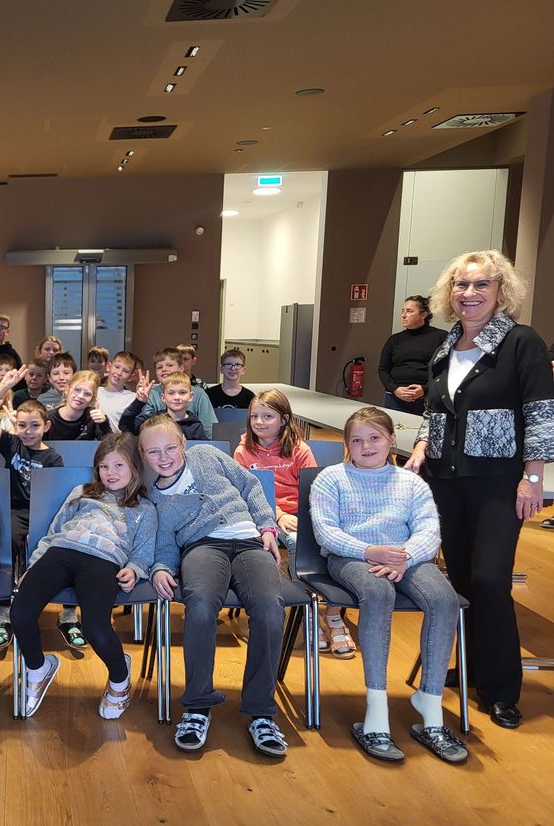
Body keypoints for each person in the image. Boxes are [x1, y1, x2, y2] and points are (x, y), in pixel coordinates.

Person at [405, 249, 554, 730]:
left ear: (500, 290)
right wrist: (423, 445)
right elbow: (436, 408)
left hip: (496, 482)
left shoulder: (519, 343)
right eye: (461, 285)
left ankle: (501, 688)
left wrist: (534, 477)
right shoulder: (448, 344)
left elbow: (540, 413)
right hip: (445, 479)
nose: (469, 294)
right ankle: (470, 668)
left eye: (480, 285)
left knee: (491, 581)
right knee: (463, 579)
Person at [312, 407, 468, 764]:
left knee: (444, 600)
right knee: (378, 594)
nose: (366, 446)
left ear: (391, 440)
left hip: (403, 558)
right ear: (346, 444)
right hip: (350, 556)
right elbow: (326, 532)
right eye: (357, 440)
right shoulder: (331, 478)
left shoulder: (411, 482)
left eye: (374, 438)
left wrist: (405, 557)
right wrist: (371, 550)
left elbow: (429, 529)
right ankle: (376, 711)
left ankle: (430, 709)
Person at [143, 415, 288, 758]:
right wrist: (161, 568)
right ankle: (196, 706)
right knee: (201, 607)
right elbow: (164, 544)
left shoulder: (208, 455)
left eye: (170, 448)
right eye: (153, 452)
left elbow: (251, 486)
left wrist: (268, 526)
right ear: (144, 457)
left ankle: (260, 712)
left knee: (269, 610)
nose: (164, 458)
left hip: (249, 542)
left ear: (183, 445)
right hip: (202, 548)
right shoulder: (157, 498)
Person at [15, 432, 156, 719]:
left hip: (103, 561)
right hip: (62, 551)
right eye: (104, 466)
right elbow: (53, 532)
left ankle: (119, 677)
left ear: (135, 468)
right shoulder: (81, 492)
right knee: (20, 613)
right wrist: (35, 563)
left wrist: (134, 570)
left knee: (95, 627)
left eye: (119, 466)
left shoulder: (144, 509)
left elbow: (143, 552)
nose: (110, 473)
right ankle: (38, 668)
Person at [233, 388, 352, 655]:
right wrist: (277, 515)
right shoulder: (243, 451)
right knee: (257, 550)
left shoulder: (299, 449)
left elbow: (311, 488)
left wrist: (292, 516)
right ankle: (285, 612)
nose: (260, 422)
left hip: (296, 515)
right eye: (255, 417)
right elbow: (243, 493)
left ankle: (308, 613)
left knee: (301, 544)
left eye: (268, 416)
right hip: (259, 517)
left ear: (284, 419)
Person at [0, 369, 64, 648]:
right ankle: (4, 611)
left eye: (34, 426)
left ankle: (53, 610)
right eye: (23, 425)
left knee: (46, 549)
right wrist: (5, 386)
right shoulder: (11, 443)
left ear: (45, 426)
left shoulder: (52, 457)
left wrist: (41, 526)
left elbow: (54, 497)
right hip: (14, 510)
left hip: (41, 512)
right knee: (8, 543)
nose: (28, 432)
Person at [126, 347, 218, 437]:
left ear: (181, 368)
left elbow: (209, 428)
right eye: (159, 367)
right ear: (163, 397)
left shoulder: (199, 394)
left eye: (169, 365)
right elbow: (142, 427)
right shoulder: (150, 394)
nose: (164, 369)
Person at [379, 295, 447, 414]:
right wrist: (395, 389)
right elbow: (383, 369)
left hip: (427, 398)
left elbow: (445, 370)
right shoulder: (394, 339)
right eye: (403, 311)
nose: (403, 315)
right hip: (395, 396)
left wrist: (425, 389)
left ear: (424, 314)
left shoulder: (441, 337)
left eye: (409, 311)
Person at [46, 370, 110, 442]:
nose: (80, 396)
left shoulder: (93, 417)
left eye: (87, 394)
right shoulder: (48, 418)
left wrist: (103, 423)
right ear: (67, 390)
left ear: (92, 399)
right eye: (77, 390)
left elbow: (110, 445)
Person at [98, 352, 140, 431]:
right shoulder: (94, 392)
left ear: (131, 376)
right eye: (117, 367)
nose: (119, 373)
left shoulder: (133, 398)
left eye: (125, 371)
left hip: (118, 442)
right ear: (109, 366)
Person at [206, 348, 255, 412]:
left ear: (243, 370)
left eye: (237, 365)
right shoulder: (209, 394)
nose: (233, 368)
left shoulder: (249, 397)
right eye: (228, 364)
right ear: (221, 369)